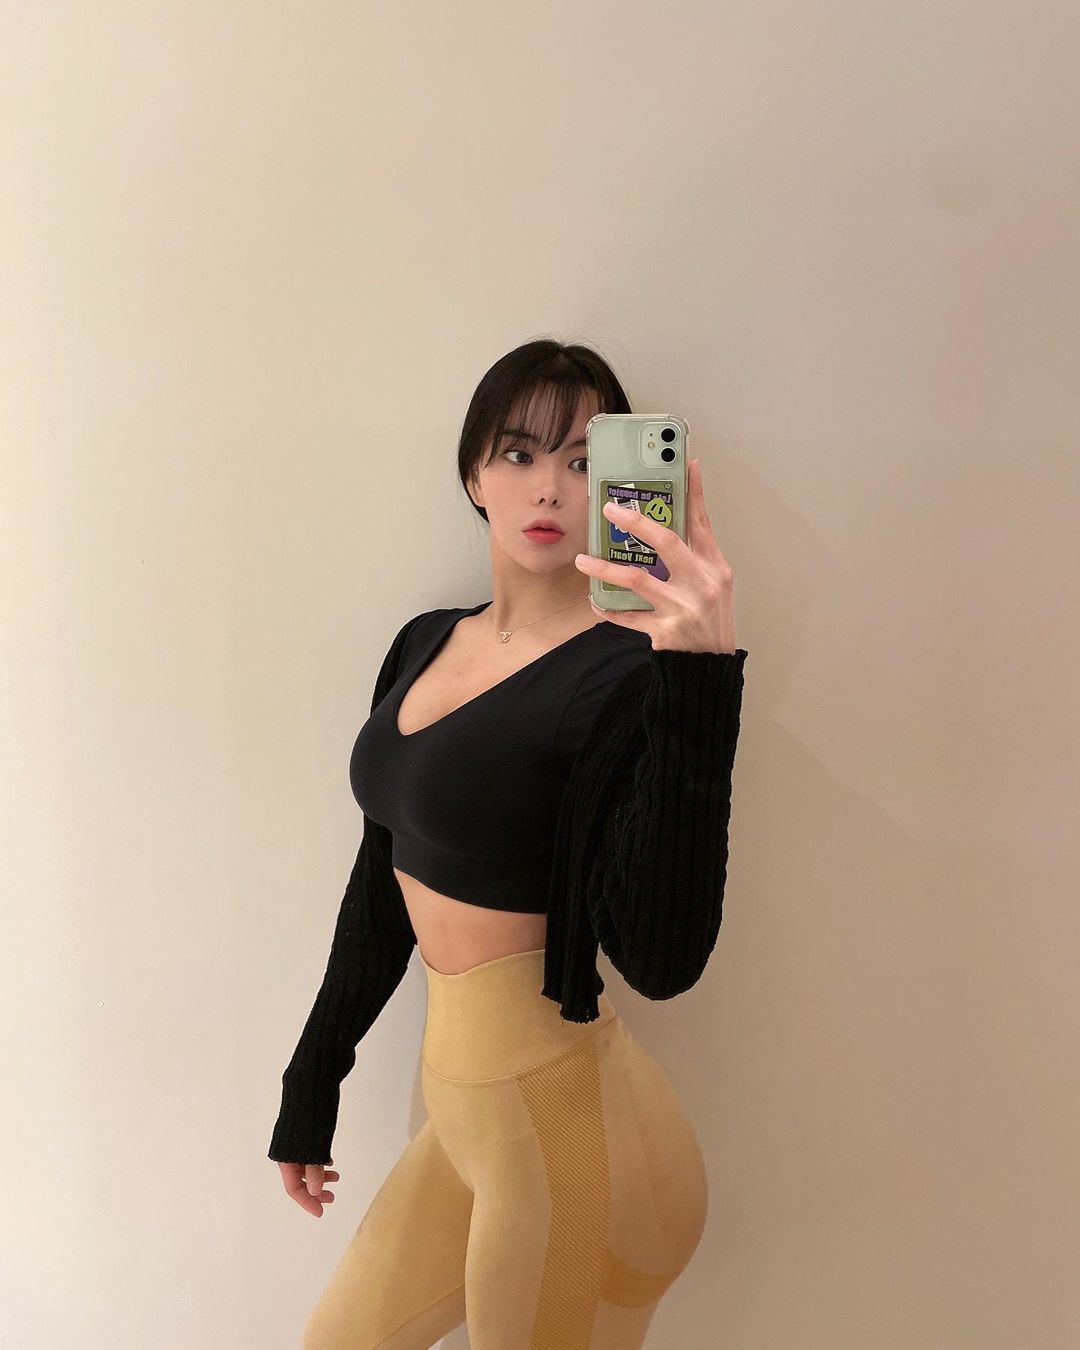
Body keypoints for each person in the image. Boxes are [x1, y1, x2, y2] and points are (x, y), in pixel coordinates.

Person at [268, 338, 748, 1349]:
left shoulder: (631, 672)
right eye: (520, 453)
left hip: (578, 1137)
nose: (550, 488)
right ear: (474, 475)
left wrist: (698, 679)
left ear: (620, 485)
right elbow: (379, 883)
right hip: (469, 1124)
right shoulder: (423, 642)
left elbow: (662, 960)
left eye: (585, 461)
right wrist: (312, 1080)